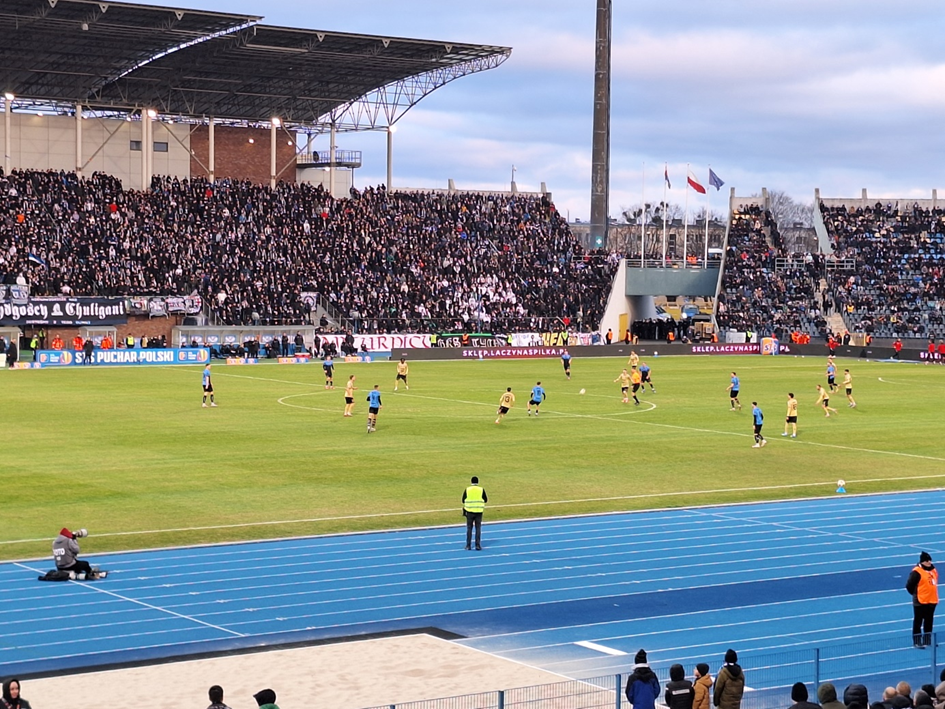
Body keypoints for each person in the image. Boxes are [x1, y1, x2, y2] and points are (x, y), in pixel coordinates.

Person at [906, 551, 938, 648]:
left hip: (932, 600)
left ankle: (927, 640)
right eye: (927, 561)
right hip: (920, 601)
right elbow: (909, 586)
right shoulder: (916, 572)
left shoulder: (933, 570)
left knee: (929, 621)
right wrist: (916, 595)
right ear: (922, 561)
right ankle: (917, 641)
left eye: (930, 560)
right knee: (918, 621)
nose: (929, 562)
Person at [462, 475, 487, 551]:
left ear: (471, 482)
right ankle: (478, 545)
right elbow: (485, 499)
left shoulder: (468, 489)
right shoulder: (481, 489)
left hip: (469, 511)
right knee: (478, 528)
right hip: (479, 511)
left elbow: (463, 500)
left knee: (469, 528)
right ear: (477, 482)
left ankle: (468, 545)